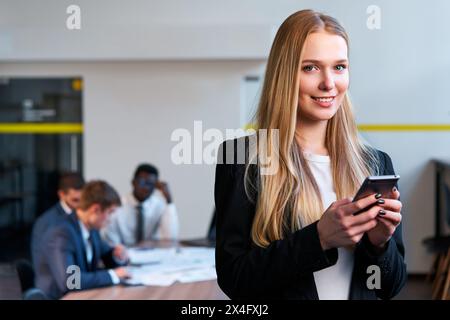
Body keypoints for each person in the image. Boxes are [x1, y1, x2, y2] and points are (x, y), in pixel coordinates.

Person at [214, 10, 407, 300]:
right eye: (311, 68)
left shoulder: (375, 163)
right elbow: (236, 281)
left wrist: (380, 245)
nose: (329, 83)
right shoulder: (240, 159)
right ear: (285, 74)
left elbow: (388, 288)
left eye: (339, 67)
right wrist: (319, 238)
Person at [35, 180, 130, 299]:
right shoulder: (62, 233)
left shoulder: (91, 228)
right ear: (95, 209)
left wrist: (118, 255)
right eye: (110, 212)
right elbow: (71, 281)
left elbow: (107, 255)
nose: (110, 219)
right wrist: (112, 275)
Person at [102, 163, 179, 246]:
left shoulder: (159, 206)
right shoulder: (118, 205)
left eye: (151, 184)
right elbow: (110, 238)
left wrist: (169, 201)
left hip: (152, 253)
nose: (146, 188)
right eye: (142, 182)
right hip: (123, 252)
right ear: (133, 182)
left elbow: (171, 236)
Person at [31, 172, 85, 269]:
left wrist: (116, 253)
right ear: (61, 194)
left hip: (76, 279)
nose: (79, 205)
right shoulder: (48, 222)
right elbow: (68, 276)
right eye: (75, 200)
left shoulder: (85, 218)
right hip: (59, 281)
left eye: (83, 200)